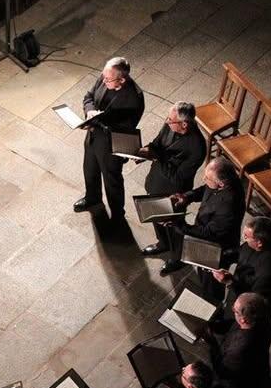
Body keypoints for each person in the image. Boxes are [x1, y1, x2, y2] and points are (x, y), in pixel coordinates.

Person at [73, 57, 145, 222]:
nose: (104, 80)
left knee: (112, 179)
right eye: (103, 77)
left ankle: (118, 213)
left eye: (108, 79)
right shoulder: (106, 76)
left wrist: (96, 121)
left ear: (121, 79)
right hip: (93, 136)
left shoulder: (134, 98)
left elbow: (124, 128)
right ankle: (92, 197)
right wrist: (90, 112)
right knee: (89, 169)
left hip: (111, 144)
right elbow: (89, 97)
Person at [139, 101, 207, 257]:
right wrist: (146, 152)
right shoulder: (169, 124)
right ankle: (162, 243)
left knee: (174, 228)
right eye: (167, 118)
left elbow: (178, 178)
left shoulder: (197, 147)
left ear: (184, 124)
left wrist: (158, 157)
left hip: (173, 193)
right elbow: (158, 143)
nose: (167, 122)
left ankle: (176, 258)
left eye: (171, 120)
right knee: (156, 217)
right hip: (156, 181)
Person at [160, 157, 245, 279]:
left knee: (208, 279)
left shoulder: (230, 204)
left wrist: (179, 225)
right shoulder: (224, 181)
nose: (203, 179)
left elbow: (209, 233)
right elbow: (206, 189)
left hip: (215, 247)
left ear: (221, 184)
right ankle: (180, 260)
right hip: (205, 228)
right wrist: (187, 197)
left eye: (207, 178)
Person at [211, 216, 271, 317]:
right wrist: (217, 255)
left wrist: (229, 282)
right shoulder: (260, 241)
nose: (244, 238)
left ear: (259, 243)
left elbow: (252, 302)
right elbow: (241, 252)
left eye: (246, 236)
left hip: (244, 311)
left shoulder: (269, 270)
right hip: (236, 288)